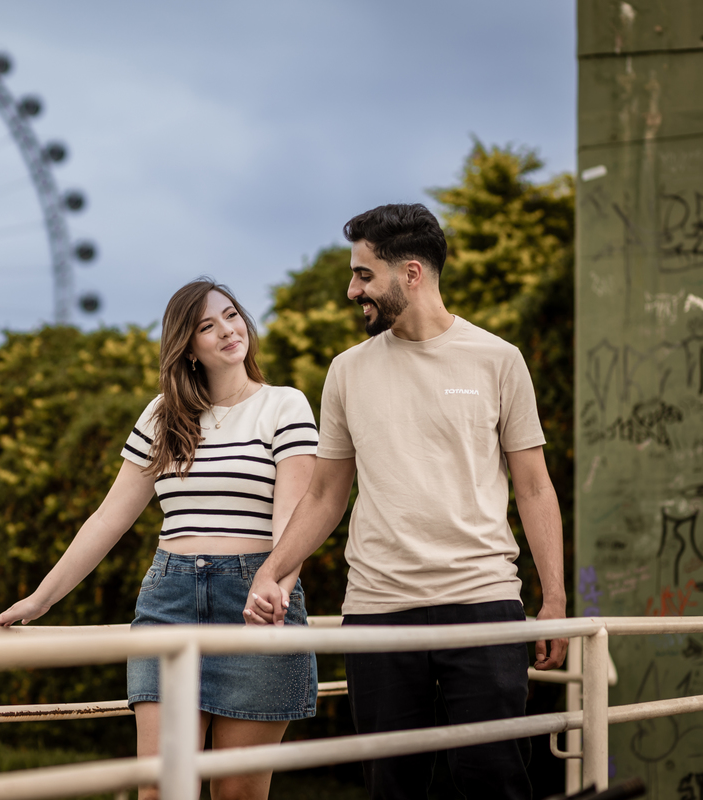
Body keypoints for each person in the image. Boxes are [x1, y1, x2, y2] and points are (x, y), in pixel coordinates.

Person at [243, 203, 567, 799]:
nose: (351, 289)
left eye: (364, 275)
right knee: (393, 788)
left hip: (482, 603)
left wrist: (554, 601)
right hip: (377, 613)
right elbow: (324, 493)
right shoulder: (345, 372)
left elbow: (535, 486)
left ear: (410, 274)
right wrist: (272, 570)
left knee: (495, 781)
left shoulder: (498, 360)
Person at [0, 277, 319, 800]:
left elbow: (295, 520)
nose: (228, 331)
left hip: (256, 601)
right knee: (162, 791)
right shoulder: (162, 416)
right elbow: (107, 520)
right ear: (187, 347)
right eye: (207, 327)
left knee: (238, 793)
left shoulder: (285, 405)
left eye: (232, 316)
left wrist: (274, 584)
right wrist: (41, 597)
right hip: (171, 600)